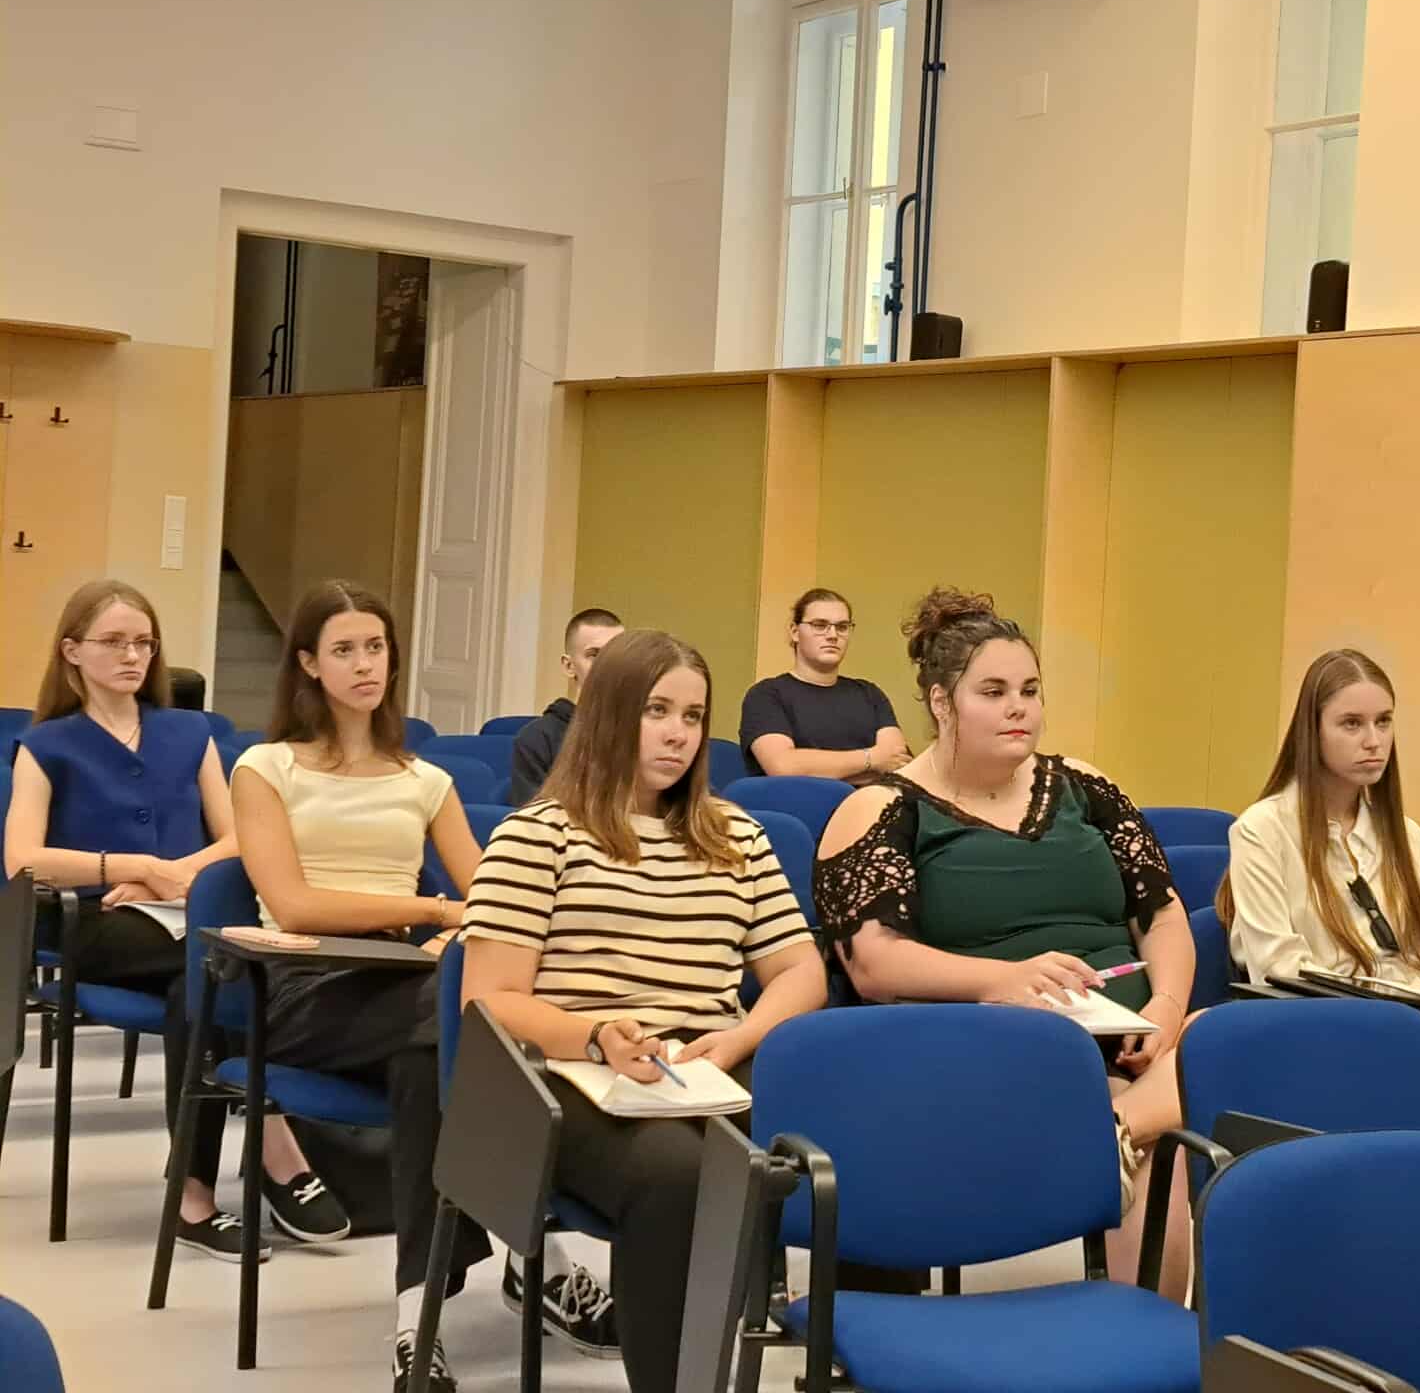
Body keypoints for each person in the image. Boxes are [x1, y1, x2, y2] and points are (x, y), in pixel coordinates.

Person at [463, 630, 825, 1391]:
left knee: (860, 1132)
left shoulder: (736, 836)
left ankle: (856, 1361)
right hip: (577, 1070)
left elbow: (799, 970)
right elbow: (488, 1000)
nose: (677, 734)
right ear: (609, 713)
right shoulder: (537, 835)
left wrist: (744, 1035)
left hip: (708, 1058)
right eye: (656, 711)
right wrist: (597, 1035)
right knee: (679, 1173)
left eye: (692, 717)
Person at [230, 580, 567, 1393]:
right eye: (343, 649)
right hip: (299, 987)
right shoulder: (265, 767)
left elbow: (492, 899)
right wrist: (431, 909)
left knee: (429, 1058)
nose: (364, 665)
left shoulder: (424, 778)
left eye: (375, 647)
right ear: (308, 664)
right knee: (457, 1026)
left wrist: (460, 929)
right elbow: (294, 903)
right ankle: (538, 1254)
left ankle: (419, 1315)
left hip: (401, 987)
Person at [813, 587, 1196, 1294]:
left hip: (1134, 1039)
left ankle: (1111, 1132)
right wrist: (1001, 979)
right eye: (993, 692)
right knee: (1164, 1140)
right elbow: (872, 962)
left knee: (1210, 1044)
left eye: (1029, 690)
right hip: (997, 1038)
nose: (1019, 707)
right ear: (941, 702)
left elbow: (1165, 917)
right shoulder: (882, 806)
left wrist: (1167, 1009)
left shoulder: (1087, 786)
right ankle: (1116, 1133)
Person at [3, 579, 337, 1260]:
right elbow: (23, 860)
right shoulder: (47, 744)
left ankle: (192, 1196)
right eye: (114, 642)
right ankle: (273, 1132)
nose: (133, 656)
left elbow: (240, 836)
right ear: (72, 651)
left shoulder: (190, 732)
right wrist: (132, 868)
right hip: (94, 921)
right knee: (224, 963)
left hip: (184, 915)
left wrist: (173, 877)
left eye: (144, 643)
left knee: (200, 987)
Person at [1220, 649, 1420, 1139]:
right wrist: (1394, 1011)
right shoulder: (1262, 829)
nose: (1373, 741)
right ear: (1312, 732)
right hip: (1314, 1026)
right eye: (1352, 724)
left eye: (1383, 722)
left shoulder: (1407, 836)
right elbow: (1277, 968)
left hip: (1407, 1025)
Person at [740, 588, 910, 780]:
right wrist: (871, 759)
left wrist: (822, 768)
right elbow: (784, 766)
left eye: (842, 627)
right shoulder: (766, 694)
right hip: (803, 799)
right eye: (820, 625)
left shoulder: (869, 693)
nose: (832, 635)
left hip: (874, 798)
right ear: (795, 632)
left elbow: (897, 762)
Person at [507, 607, 623, 804]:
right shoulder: (537, 739)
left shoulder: (643, 731)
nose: (608, 664)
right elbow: (531, 817)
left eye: (616, 654)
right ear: (569, 666)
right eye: (594, 655)